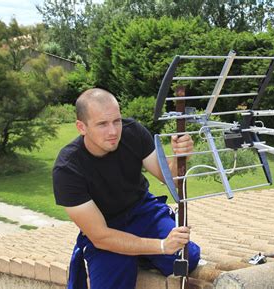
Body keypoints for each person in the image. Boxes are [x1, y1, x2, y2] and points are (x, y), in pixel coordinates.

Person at [52, 88, 200, 289]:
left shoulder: (133, 132)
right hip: (107, 228)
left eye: (117, 121)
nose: (113, 131)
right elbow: (101, 236)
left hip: (142, 212)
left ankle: (139, 252)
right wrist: (162, 246)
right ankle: (138, 251)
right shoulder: (67, 169)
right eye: (102, 124)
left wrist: (180, 156)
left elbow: (171, 179)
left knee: (188, 258)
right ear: (81, 127)